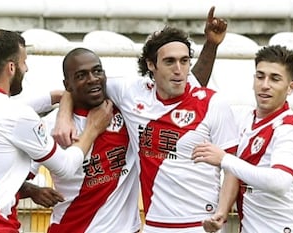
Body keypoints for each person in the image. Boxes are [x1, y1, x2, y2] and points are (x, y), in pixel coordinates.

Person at [54, 7, 240, 233]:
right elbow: (82, 86)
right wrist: (63, 116)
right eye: (170, 62)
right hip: (154, 226)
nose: (179, 70)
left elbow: (233, 166)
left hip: (200, 225)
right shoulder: (131, 93)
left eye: (184, 61)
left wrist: (222, 212)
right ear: (152, 65)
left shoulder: (214, 104)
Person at [0, 29, 111, 232]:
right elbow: (65, 166)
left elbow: (13, 110)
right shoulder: (17, 116)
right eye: (24, 62)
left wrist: (63, 102)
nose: (26, 69)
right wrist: (92, 129)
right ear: (12, 67)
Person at [192, 45, 293, 233]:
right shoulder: (240, 117)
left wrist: (224, 159)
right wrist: (222, 211)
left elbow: (280, 182)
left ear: (290, 87)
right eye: (260, 76)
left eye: (275, 79)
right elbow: (193, 96)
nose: (265, 85)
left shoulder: (290, 128)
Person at [30, 47, 142, 232]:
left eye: (97, 71)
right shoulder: (52, 126)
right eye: (81, 75)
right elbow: (12, 176)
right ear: (68, 85)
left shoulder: (128, 111)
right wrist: (32, 191)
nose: (92, 79)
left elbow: (175, 92)